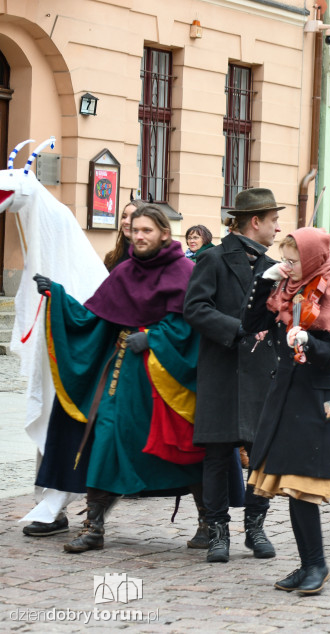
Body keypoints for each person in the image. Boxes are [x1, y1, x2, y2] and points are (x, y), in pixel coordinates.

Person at [34, 205, 203, 553]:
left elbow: (194, 322)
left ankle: (208, 523)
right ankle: (94, 527)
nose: (138, 236)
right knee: (107, 436)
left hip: (167, 378)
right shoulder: (125, 271)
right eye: (134, 230)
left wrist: (155, 337)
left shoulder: (185, 270)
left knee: (184, 445)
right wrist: (58, 297)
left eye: (146, 231)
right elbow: (96, 317)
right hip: (122, 372)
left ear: (164, 234)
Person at [244, 228, 330, 596]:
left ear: (311, 258)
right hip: (289, 400)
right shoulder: (287, 291)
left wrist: (309, 340)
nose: (288, 266)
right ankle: (309, 563)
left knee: (303, 489)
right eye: (285, 259)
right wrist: (264, 283)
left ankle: (316, 565)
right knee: (292, 489)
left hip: (319, 404)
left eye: (294, 260)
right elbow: (251, 325)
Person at [183, 187, 284, 562]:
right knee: (217, 453)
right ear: (254, 221)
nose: (277, 227)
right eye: (273, 220)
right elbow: (194, 308)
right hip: (222, 369)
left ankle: (255, 528)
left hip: (260, 371)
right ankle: (217, 531)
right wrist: (235, 328)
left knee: (261, 454)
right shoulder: (212, 259)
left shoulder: (272, 266)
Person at [102, 198, 147, 271]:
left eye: (133, 217)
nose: (126, 221)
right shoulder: (110, 258)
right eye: (124, 216)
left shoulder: (150, 260)